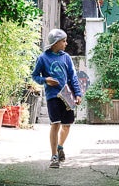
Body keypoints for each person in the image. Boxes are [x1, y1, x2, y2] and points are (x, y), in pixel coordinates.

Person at [31, 28, 82, 169]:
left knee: (67, 124)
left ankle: (60, 147)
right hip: (52, 96)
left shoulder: (66, 57)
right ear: (55, 42)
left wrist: (77, 94)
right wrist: (46, 80)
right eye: (63, 41)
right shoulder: (43, 58)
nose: (66, 44)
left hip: (67, 95)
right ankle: (54, 156)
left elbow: (73, 77)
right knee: (55, 123)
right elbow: (35, 76)